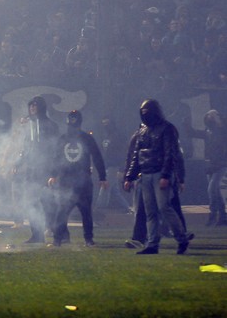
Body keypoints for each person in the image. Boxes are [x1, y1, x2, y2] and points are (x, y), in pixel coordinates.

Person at [124, 99, 190, 255]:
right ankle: (152, 244)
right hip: (146, 175)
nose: (144, 115)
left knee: (164, 208)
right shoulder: (142, 131)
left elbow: (170, 153)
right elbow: (136, 156)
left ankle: (182, 238)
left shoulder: (167, 129)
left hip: (160, 173)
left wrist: (166, 175)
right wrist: (129, 177)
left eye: (147, 112)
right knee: (151, 212)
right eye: (143, 112)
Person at [2, 96, 59, 243]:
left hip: (45, 168)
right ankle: (37, 234)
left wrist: (53, 171)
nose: (33, 108)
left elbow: (55, 149)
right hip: (32, 169)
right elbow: (26, 148)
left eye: (35, 106)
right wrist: (17, 163)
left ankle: (52, 228)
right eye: (31, 106)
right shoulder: (29, 126)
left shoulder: (50, 125)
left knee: (47, 200)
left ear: (41, 107)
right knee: (31, 201)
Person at [48, 110, 107, 247]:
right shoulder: (64, 139)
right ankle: (58, 239)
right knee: (62, 211)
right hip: (66, 181)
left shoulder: (86, 138)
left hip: (82, 181)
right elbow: (56, 158)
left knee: (84, 212)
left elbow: (97, 157)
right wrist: (53, 175)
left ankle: (88, 239)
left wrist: (103, 176)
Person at [184, 109, 227, 226]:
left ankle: (213, 217)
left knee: (212, 189)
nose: (210, 117)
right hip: (210, 165)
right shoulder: (208, 131)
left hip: (221, 165)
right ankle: (223, 217)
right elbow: (192, 133)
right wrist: (186, 122)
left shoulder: (223, 131)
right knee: (216, 192)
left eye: (212, 115)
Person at [95, 117, 131, 214]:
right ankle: (128, 208)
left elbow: (123, 152)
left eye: (107, 123)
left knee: (105, 188)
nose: (105, 126)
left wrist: (121, 167)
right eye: (103, 123)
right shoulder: (104, 135)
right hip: (106, 165)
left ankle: (100, 210)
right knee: (115, 191)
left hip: (113, 166)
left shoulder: (118, 136)